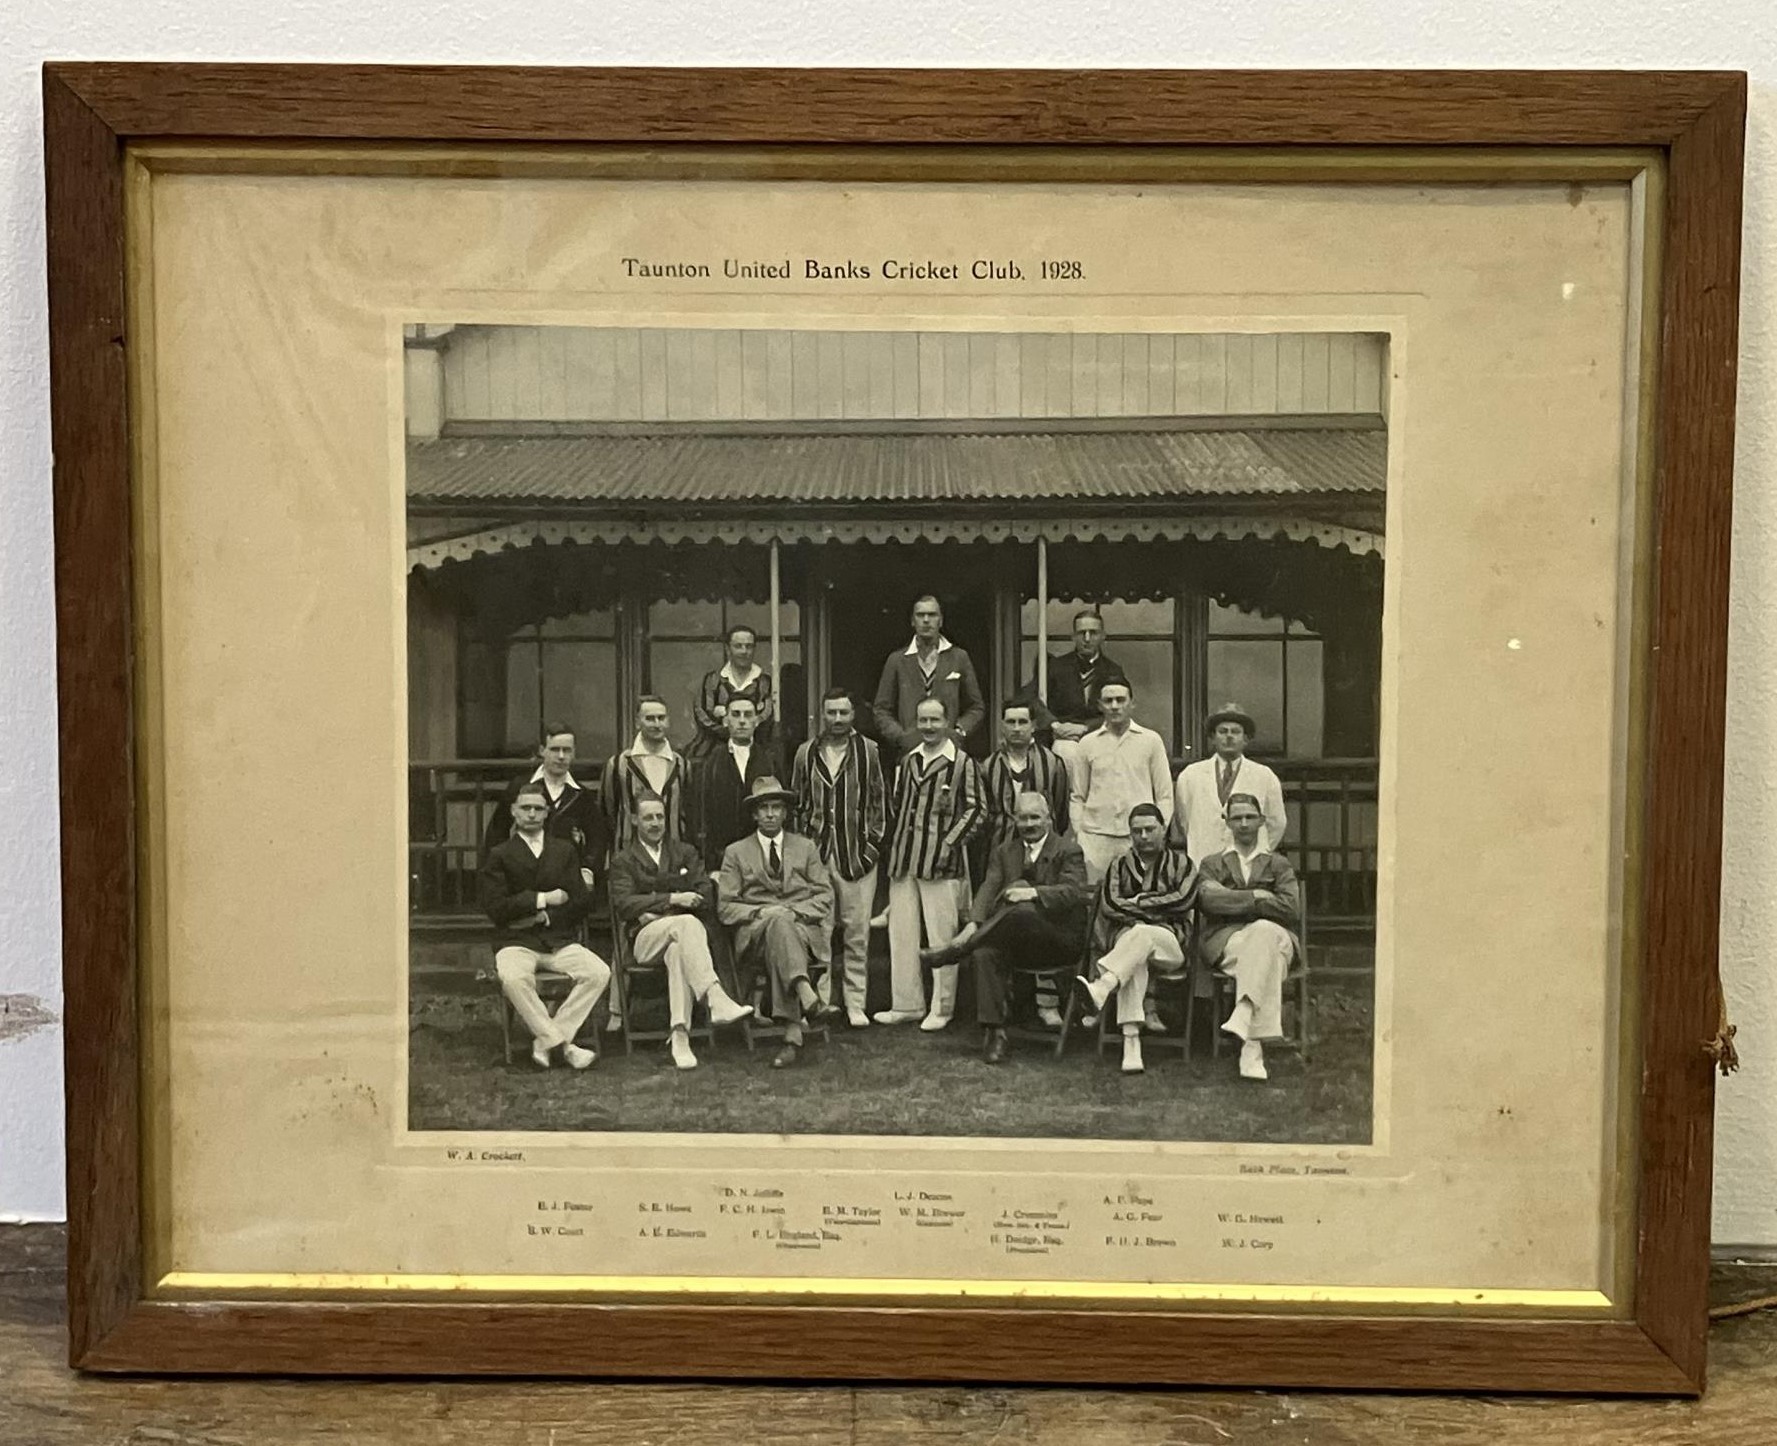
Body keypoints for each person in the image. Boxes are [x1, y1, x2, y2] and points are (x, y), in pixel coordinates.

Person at [919, 792, 1088, 1063]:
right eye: (1022, 818)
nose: (1029, 824)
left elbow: (1073, 892)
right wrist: (973, 922)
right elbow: (988, 889)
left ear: (1049, 818)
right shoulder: (1005, 852)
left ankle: (955, 951)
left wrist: (1032, 893)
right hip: (1017, 942)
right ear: (1014, 820)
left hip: (1057, 940)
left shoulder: (1068, 849)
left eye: (1035, 817)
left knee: (1021, 902)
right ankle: (996, 1033)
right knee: (985, 952)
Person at [607, 791, 753, 1070]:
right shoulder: (623, 860)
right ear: (634, 819)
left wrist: (654, 903)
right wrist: (674, 898)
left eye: (660, 816)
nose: (655, 823)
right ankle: (715, 997)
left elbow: (705, 895)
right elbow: (625, 903)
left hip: (677, 935)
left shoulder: (684, 852)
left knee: (678, 950)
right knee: (687, 923)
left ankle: (680, 1036)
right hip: (643, 940)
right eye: (648, 817)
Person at [478, 782, 612, 1071]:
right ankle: (563, 1045)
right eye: (525, 808)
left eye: (538, 809)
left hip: (558, 939)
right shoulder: (500, 854)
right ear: (514, 812)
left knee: (598, 972)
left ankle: (546, 1040)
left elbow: (580, 901)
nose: (531, 814)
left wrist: (551, 918)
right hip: (515, 940)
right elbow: (496, 908)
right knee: (513, 979)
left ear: (546, 812)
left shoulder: (563, 851)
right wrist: (541, 899)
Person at [874, 697, 986, 1031]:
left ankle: (942, 1006)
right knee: (902, 934)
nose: (928, 727)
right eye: (922, 720)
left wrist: (949, 843)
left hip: (941, 863)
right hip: (905, 860)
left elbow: (977, 809)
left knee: (941, 938)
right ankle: (906, 1004)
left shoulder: (962, 763)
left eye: (935, 720)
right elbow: (898, 807)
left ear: (948, 723)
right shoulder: (908, 761)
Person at [717, 777, 838, 1069]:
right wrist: (762, 914)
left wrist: (791, 913)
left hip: (800, 931)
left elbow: (824, 895)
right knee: (777, 922)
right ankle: (806, 996)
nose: (770, 814)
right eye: (764, 808)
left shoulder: (806, 848)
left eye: (776, 808)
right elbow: (726, 907)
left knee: (782, 925)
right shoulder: (736, 852)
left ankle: (793, 1030)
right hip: (756, 935)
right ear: (754, 815)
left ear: (785, 813)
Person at [1074, 802, 1197, 1075]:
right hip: (1129, 950)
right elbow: (1110, 904)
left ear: (1163, 829)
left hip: (1171, 948)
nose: (1143, 836)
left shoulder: (1182, 863)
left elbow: (1184, 899)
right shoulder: (1118, 865)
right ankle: (1131, 1041)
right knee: (1135, 956)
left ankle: (1103, 985)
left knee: (1138, 933)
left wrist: (1140, 904)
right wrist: (1157, 909)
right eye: (1137, 831)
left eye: (1150, 829)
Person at [790, 687, 888, 1027]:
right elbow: (798, 805)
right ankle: (820, 1002)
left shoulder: (870, 752)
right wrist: (805, 851)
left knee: (857, 934)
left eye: (843, 713)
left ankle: (855, 1003)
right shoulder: (806, 753)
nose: (837, 720)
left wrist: (870, 851)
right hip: (817, 858)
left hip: (856, 856)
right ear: (822, 714)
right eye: (831, 713)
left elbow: (880, 806)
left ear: (853, 715)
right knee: (818, 933)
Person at [1196, 792, 1301, 1082]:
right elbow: (1208, 901)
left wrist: (1231, 897)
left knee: (1264, 932)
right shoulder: (1212, 864)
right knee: (1267, 948)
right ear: (1226, 822)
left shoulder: (1279, 864)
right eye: (1237, 817)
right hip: (1229, 942)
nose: (1243, 823)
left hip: (1276, 938)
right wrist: (1257, 896)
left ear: (1262, 821)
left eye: (1250, 817)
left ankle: (1244, 1013)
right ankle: (1252, 1050)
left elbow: (1291, 908)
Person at [980, 699, 1072, 1028]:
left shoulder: (1053, 764)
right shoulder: (988, 766)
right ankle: (1008, 1003)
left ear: (1034, 726)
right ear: (1002, 726)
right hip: (1003, 854)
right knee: (1004, 915)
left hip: (1044, 854)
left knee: (1040, 917)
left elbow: (1058, 812)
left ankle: (1047, 1002)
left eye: (1023, 722)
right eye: (1010, 722)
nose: (1016, 728)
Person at [481, 721, 611, 889]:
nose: (561, 756)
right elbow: (497, 831)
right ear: (542, 751)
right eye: (555, 749)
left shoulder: (581, 795)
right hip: (525, 877)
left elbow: (597, 838)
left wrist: (588, 870)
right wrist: (500, 871)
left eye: (567, 750)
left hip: (567, 879)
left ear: (574, 753)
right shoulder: (520, 787)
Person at [1068, 680, 1174, 885]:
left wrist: (1157, 831)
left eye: (1120, 700)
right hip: (1095, 838)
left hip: (1137, 837)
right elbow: (1077, 795)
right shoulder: (1087, 743)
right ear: (1100, 705)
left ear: (1132, 703)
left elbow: (1164, 795)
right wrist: (1080, 832)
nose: (1115, 706)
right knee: (1095, 897)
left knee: (1140, 893)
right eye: (1108, 701)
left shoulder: (1150, 740)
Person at [872, 594, 986, 755]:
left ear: (941, 620)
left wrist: (959, 732)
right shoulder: (897, 660)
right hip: (908, 754)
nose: (926, 620)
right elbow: (881, 709)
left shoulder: (959, 657)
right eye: (920, 615)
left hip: (949, 753)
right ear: (912, 621)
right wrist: (900, 737)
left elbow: (976, 707)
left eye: (932, 615)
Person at [1173, 702, 1288, 862]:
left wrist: (1258, 852)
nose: (1229, 736)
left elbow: (1276, 823)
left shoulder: (1264, 776)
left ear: (1246, 739)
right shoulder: (1190, 775)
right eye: (1222, 731)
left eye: (1235, 732)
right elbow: (1183, 821)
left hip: (1248, 864)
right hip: (1203, 859)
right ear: (1213, 738)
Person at [1020, 609, 1129, 767]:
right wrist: (1054, 724)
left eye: (1093, 633)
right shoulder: (1057, 666)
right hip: (1063, 738)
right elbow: (1030, 696)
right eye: (1081, 633)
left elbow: (1120, 707)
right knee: (1065, 753)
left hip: (1100, 735)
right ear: (1073, 637)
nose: (1087, 639)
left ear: (1103, 636)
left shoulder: (1113, 670)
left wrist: (1086, 727)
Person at [687, 693, 782, 873]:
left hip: (763, 859)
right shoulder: (710, 762)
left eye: (748, 715)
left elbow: (782, 811)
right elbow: (700, 817)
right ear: (726, 720)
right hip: (723, 860)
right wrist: (710, 866)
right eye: (736, 714)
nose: (742, 721)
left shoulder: (770, 760)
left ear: (756, 720)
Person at [603, 695, 688, 854]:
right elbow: (608, 814)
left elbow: (686, 813)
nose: (657, 724)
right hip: (629, 857)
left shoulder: (681, 765)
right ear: (637, 723)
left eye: (661, 718)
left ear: (668, 721)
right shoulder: (619, 764)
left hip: (672, 857)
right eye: (650, 719)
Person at [686, 623, 775, 763]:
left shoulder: (765, 682)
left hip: (756, 749)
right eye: (738, 646)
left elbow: (767, 714)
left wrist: (739, 726)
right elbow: (702, 713)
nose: (744, 651)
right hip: (714, 750)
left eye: (749, 646)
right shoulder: (712, 681)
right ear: (728, 649)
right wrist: (730, 731)